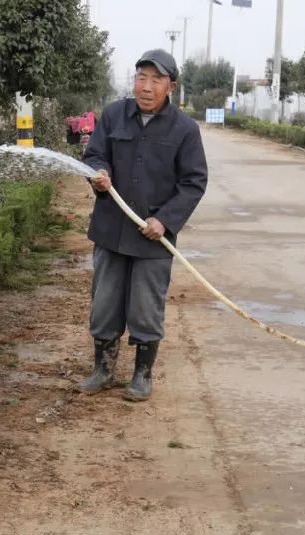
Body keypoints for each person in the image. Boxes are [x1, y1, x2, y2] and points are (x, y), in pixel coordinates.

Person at [78, 48, 208, 401]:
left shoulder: (184, 130)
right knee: (104, 302)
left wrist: (164, 221)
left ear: (171, 86)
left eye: (155, 79)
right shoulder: (114, 115)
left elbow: (194, 182)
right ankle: (103, 369)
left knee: (146, 306)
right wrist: (98, 173)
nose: (146, 87)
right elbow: (94, 154)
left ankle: (142, 374)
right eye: (141, 77)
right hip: (110, 229)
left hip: (152, 239)